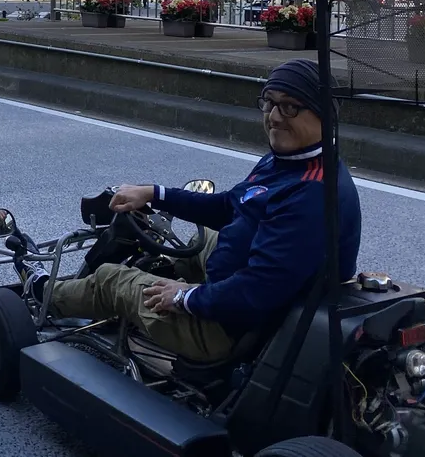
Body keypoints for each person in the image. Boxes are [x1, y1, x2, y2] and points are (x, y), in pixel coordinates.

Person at [32, 60, 361, 363]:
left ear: (324, 114)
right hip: (242, 288)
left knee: (111, 280)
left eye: (290, 107)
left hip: (226, 328)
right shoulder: (292, 162)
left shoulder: (311, 194)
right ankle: (158, 274)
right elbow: (229, 207)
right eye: (269, 102)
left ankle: (44, 294)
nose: (274, 117)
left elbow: (256, 292)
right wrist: (155, 193)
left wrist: (185, 298)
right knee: (201, 240)